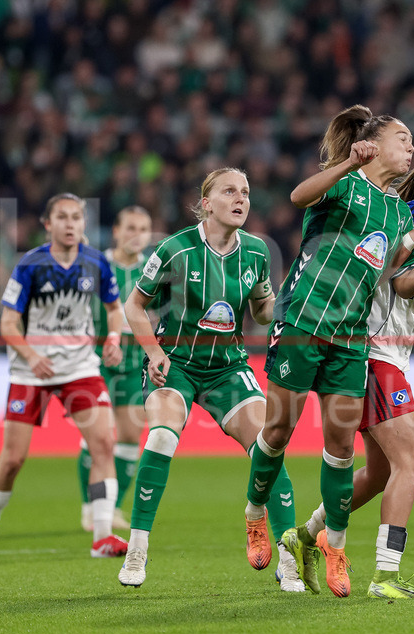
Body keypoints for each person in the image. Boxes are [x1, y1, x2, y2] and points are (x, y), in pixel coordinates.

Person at [242, 104, 414, 597]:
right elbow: (298, 196)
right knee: (277, 431)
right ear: (374, 144)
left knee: (339, 449)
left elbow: (391, 279)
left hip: (351, 338)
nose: (411, 148)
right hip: (302, 322)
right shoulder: (345, 183)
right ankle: (255, 513)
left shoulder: (400, 211)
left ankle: (334, 549)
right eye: (403, 138)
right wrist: (346, 164)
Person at [287, 156, 414, 599]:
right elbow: (396, 282)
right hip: (372, 351)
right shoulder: (408, 218)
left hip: (394, 355)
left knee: (378, 474)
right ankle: (385, 577)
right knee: (412, 464)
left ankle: (301, 538)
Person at [118, 168, 305, 591]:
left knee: (269, 447)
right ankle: (137, 549)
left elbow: (260, 313)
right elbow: (134, 306)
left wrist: (285, 300)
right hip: (177, 364)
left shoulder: (257, 252)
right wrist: (153, 352)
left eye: (246, 192)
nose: (240, 199)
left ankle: (286, 556)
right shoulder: (174, 249)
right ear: (207, 203)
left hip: (228, 367)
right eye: (229, 191)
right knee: (162, 437)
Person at [0, 193, 128, 559]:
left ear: (83, 224)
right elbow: (8, 324)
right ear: (48, 224)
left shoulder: (96, 263)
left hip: (79, 367)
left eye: (76, 217)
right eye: (63, 218)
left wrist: (114, 338)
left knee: (103, 444)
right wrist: (31, 355)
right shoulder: (30, 265)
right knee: (12, 461)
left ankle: (102, 537)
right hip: (31, 370)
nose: (71, 224)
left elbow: (115, 309)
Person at [79, 206, 152, 533]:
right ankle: (89, 506)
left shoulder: (153, 270)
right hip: (96, 355)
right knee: (96, 437)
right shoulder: (95, 265)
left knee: (129, 436)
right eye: (131, 227)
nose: (138, 234)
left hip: (135, 358)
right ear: (117, 232)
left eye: (144, 228)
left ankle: (113, 506)